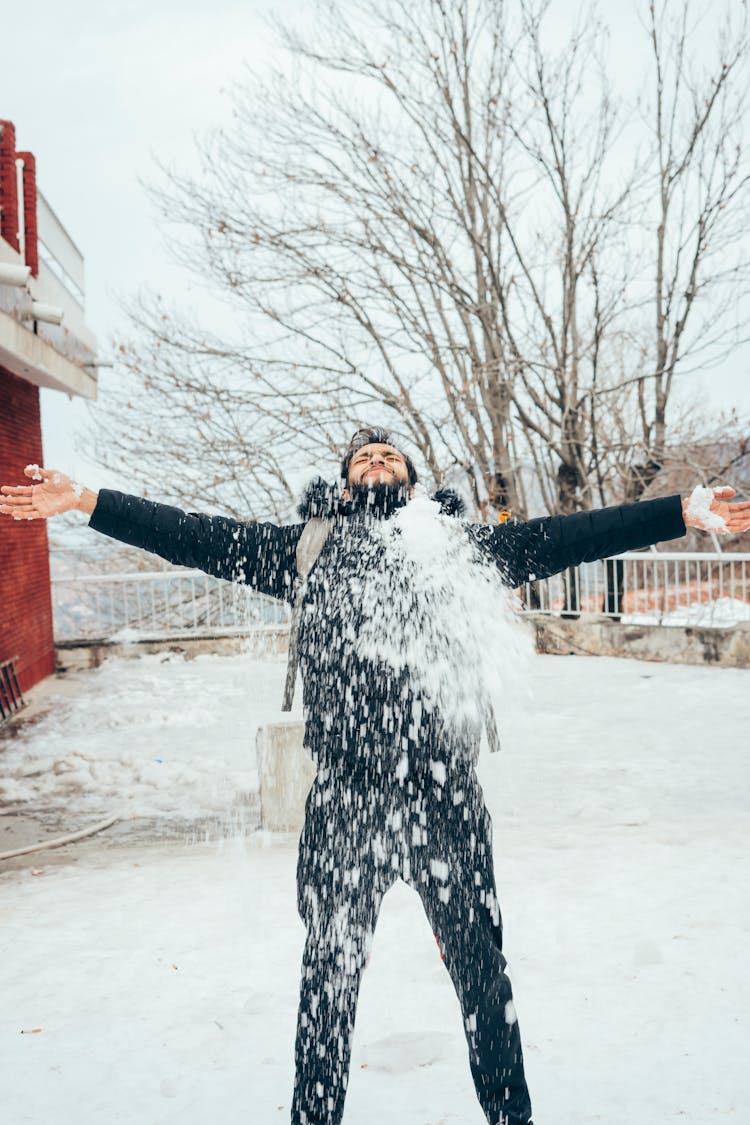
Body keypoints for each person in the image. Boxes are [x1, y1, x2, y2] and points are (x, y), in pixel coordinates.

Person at [2, 429, 749, 1125]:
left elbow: (570, 536)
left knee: (484, 976)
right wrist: (86, 501)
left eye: (390, 454)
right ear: (345, 480)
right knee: (328, 976)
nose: (377, 461)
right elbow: (192, 535)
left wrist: (678, 511)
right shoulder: (305, 550)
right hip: (346, 796)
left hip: (444, 793)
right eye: (364, 457)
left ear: (414, 479)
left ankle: (510, 1114)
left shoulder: (456, 548)